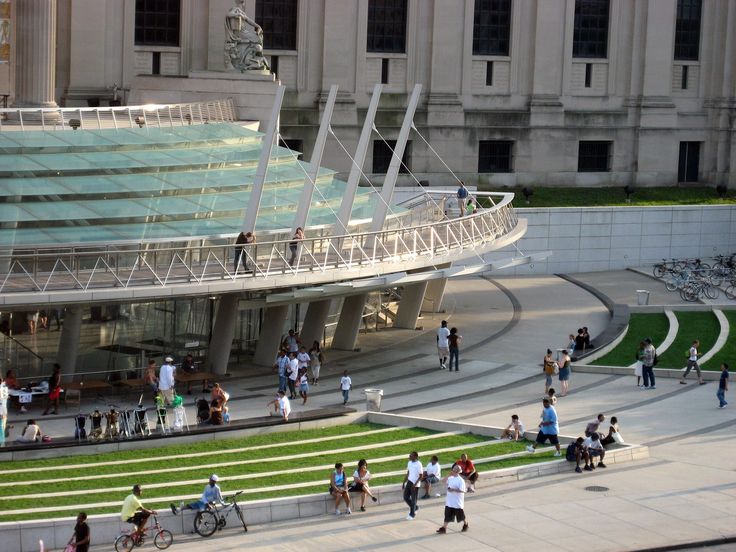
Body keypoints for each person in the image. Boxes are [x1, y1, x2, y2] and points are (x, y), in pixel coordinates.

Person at [436, 464, 469, 534]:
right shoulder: (450, 478)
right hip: (450, 502)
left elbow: (463, 490)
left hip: (457, 502)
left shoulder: (461, 480)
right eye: (453, 470)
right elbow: (443, 481)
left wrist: (453, 490)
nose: (453, 471)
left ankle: (466, 524)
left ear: (458, 472)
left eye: (455, 470)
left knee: (461, 516)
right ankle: (443, 528)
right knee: (447, 515)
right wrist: (448, 475)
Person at [402, 451, 423, 520]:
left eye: (411, 456)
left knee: (414, 499)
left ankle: (412, 514)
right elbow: (408, 472)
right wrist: (404, 482)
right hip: (409, 482)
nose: (409, 457)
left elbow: (421, 476)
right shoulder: (409, 463)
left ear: (415, 457)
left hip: (415, 484)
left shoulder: (419, 464)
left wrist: (415, 484)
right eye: (409, 455)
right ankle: (415, 508)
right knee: (405, 497)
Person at [0, 374, 8, 447]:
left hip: (1, 411)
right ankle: (2, 442)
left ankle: (2, 442)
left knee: (1, 427)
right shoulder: (4, 388)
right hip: (3, 411)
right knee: (2, 426)